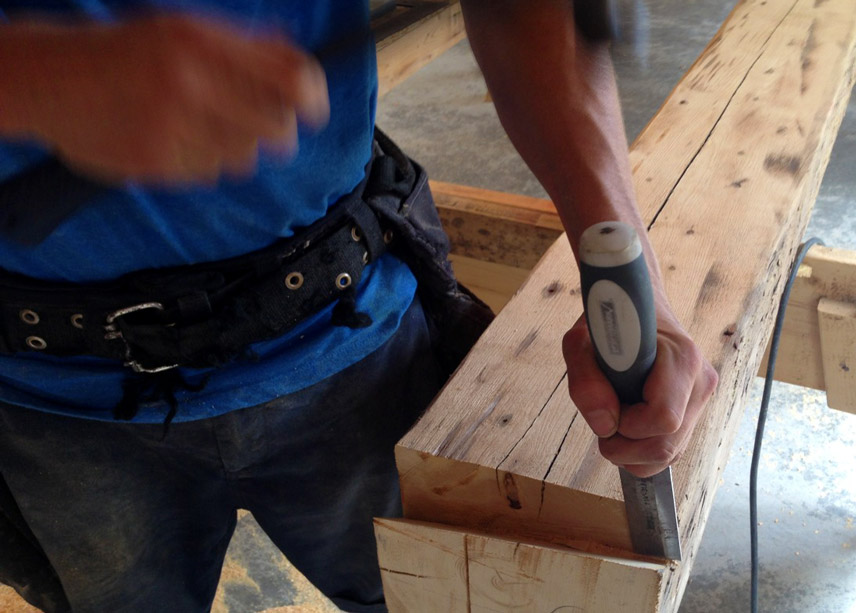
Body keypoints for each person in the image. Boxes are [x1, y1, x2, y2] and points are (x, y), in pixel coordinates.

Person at [0, 1, 718, 611]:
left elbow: (533, 13)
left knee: (437, 593)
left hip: (351, 334)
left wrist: (624, 266)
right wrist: (33, 76)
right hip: (53, 397)